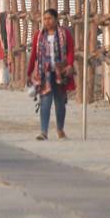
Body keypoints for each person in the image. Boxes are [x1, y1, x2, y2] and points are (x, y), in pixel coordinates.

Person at [29, 9, 75, 141]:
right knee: (45, 102)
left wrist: (70, 65)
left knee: (60, 103)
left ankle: (60, 129)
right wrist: (29, 72)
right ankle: (43, 132)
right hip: (44, 74)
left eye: (49, 18)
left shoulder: (64, 33)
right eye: (45, 19)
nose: (47, 21)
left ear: (56, 19)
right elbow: (34, 55)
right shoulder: (39, 35)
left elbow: (71, 50)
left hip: (60, 72)